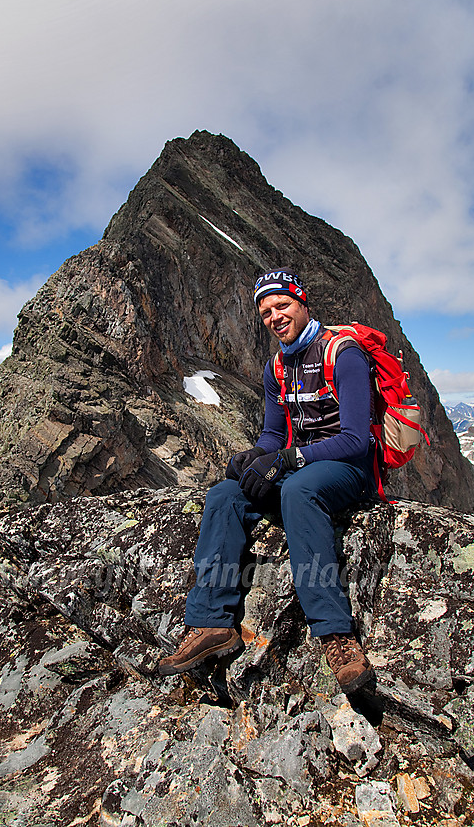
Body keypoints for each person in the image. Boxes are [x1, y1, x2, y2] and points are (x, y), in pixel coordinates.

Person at [158, 268, 376, 693]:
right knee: (224, 494)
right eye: (266, 312)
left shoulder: (343, 354)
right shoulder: (277, 366)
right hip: (306, 464)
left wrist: (289, 459)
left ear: (302, 303)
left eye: (282, 305)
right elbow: (274, 434)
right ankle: (211, 622)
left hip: (350, 470)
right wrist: (256, 457)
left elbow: (354, 438)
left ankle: (337, 636)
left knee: (298, 489)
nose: (275, 316)